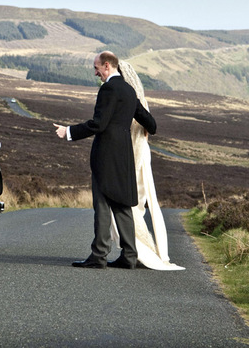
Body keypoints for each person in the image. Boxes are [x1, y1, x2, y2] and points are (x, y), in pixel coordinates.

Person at [54, 51, 156, 269]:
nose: (95, 72)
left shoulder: (108, 89)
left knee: (101, 204)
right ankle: (129, 257)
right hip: (124, 155)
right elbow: (151, 123)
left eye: (96, 67)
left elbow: (98, 124)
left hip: (106, 156)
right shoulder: (129, 90)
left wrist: (68, 131)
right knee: (122, 205)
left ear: (107, 65)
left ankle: (99, 255)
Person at [114, 61, 185, 270]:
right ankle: (134, 251)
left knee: (130, 204)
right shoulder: (140, 100)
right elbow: (150, 128)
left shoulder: (127, 100)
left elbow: (147, 127)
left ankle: (136, 251)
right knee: (137, 204)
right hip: (140, 153)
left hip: (133, 155)